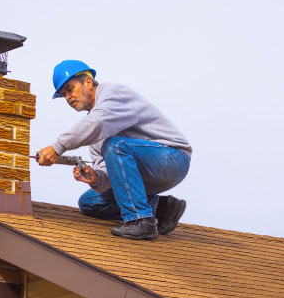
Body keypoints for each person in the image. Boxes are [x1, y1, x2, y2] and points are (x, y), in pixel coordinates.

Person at [35, 60, 192, 240]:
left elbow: (99, 122)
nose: (68, 98)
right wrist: (97, 178)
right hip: (145, 173)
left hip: (172, 158)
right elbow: (109, 172)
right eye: (63, 95)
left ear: (87, 81)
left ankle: (141, 221)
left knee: (115, 146)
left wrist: (57, 148)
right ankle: (162, 208)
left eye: (69, 89)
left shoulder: (111, 94)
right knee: (89, 202)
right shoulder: (94, 131)